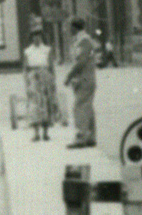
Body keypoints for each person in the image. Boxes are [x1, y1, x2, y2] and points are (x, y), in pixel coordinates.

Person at [64, 17, 97, 149]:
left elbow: (81, 62)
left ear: (74, 27)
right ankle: (91, 137)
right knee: (87, 107)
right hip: (85, 79)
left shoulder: (84, 41)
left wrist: (69, 76)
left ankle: (80, 137)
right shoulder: (81, 41)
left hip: (84, 79)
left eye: (70, 27)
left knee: (79, 107)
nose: (68, 30)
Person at [23, 28, 57, 142]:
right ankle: (36, 133)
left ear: (42, 38)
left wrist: (53, 81)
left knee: (46, 103)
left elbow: (51, 66)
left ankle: (46, 133)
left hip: (45, 76)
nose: (36, 39)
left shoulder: (47, 50)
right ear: (31, 38)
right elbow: (25, 68)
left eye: (39, 37)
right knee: (34, 105)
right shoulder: (28, 51)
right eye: (34, 37)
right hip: (33, 77)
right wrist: (27, 83)